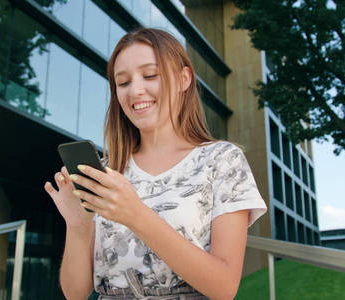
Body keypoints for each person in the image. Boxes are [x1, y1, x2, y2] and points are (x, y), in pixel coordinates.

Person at [44, 28, 267, 300]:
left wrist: (135, 214)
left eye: (150, 75)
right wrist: (78, 228)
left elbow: (224, 287)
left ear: (184, 79)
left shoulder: (222, 161)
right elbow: (75, 293)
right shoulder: (106, 173)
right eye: (123, 83)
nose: (136, 91)